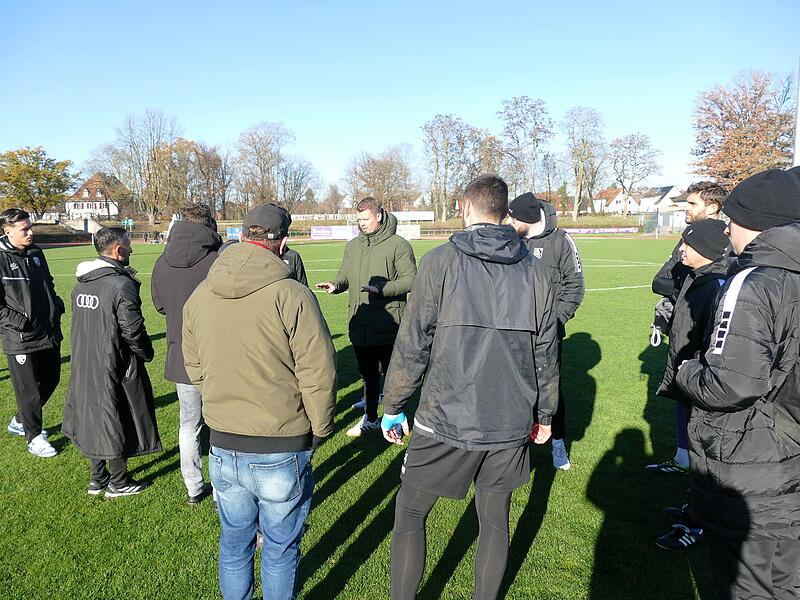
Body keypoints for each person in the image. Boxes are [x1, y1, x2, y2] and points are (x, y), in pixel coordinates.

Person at [380, 175, 559, 600]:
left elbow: (412, 340)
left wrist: (392, 405)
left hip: (449, 417)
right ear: (504, 213)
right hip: (503, 418)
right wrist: (545, 413)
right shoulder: (531, 270)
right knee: (493, 517)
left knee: (410, 514)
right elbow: (547, 353)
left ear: (464, 207)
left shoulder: (445, 261)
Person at [183, 204, 337, 600]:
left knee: (234, 544)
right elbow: (318, 372)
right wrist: (320, 429)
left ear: (242, 236)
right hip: (278, 445)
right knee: (279, 548)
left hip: (225, 441)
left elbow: (195, 366)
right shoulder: (292, 294)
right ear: (281, 242)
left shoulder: (201, 294)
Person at [675, 169, 800, 598]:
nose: (726, 226)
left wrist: (686, 369)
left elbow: (731, 384)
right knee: (787, 581)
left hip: (754, 463)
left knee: (746, 586)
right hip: (788, 456)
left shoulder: (754, 281)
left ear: (759, 221)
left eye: (733, 217)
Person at [646, 219, 729, 550]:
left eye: (687, 245)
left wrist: (696, 370)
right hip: (690, 375)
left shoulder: (716, 285)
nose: (680, 249)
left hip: (703, 382)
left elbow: (717, 342)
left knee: (708, 454)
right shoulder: (695, 278)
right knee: (697, 449)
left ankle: (697, 525)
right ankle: (696, 509)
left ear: (706, 251)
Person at [62, 227, 161, 497]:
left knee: (93, 414)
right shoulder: (120, 284)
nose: (132, 249)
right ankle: (118, 481)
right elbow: (133, 330)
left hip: (85, 359)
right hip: (114, 360)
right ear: (118, 250)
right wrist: (145, 353)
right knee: (115, 415)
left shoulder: (82, 282)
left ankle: (98, 478)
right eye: (129, 245)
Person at [317, 197, 417, 436]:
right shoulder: (353, 246)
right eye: (358, 219)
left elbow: (411, 280)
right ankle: (370, 411)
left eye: (366, 218)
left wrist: (381, 289)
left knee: (392, 376)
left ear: (379, 215)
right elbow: (345, 275)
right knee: (368, 373)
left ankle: (385, 418)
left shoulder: (398, 245)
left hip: (388, 324)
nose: (361, 223)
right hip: (359, 323)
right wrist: (335, 284)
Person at [648, 181, 727, 473]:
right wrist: (686, 287)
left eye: (692, 203)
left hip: (710, 331)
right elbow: (660, 281)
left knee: (708, 394)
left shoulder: (729, 241)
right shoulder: (685, 240)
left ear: (713, 206)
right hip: (682, 326)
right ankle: (683, 458)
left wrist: (689, 285)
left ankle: (707, 467)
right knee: (682, 387)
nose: (686, 208)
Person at [508, 192, 584, 470]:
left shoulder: (561, 240)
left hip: (548, 333)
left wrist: (554, 322)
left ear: (527, 219)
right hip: (514, 333)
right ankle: (516, 447)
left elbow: (575, 287)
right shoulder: (510, 238)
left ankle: (558, 443)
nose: (509, 222)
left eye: (513, 218)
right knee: (515, 389)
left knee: (551, 390)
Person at [151, 203, 221, 505]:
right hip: (217, 356)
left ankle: (193, 487)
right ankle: (221, 491)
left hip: (182, 355)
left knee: (189, 425)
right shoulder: (218, 261)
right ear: (209, 225)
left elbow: (160, 305)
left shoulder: (161, 262)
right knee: (220, 426)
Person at [0, 208, 64, 457]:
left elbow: (48, 283)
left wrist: (56, 305)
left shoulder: (37, 253)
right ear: (7, 232)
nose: (31, 232)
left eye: (30, 227)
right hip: (20, 337)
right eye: (24, 229)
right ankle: (34, 437)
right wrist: (21, 322)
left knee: (51, 379)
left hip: (47, 331)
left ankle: (19, 420)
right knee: (28, 391)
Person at [219, 204, 308, 286]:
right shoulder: (294, 294)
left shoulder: (223, 259)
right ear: (283, 243)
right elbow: (304, 294)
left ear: (241, 237)